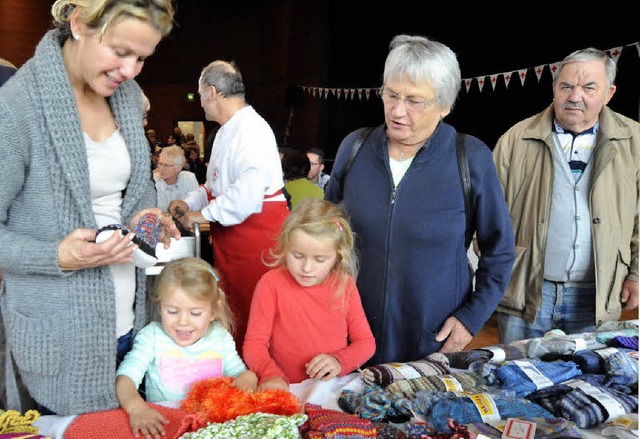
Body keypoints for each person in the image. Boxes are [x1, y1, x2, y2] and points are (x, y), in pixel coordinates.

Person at [0, 0, 179, 415]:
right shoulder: (17, 107)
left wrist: (146, 217)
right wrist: (56, 256)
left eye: (142, 58)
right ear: (79, 22)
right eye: (120, 51)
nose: (131, 70)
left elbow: (131, 197)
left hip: (132, 320)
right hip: (59, 338)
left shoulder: (128, 96)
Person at [325, 34, 515, 366]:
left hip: (432, 339)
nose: (398, 110)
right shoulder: (354, 148)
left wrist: (471, 317)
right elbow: (324, 231)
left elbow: (499, 251)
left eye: (414, 100)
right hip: (350, 335)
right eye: (391, 94)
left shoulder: (469, 158)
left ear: (444, 105)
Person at [493, 47, 639, 343]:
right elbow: (485, 216)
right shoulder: (515, 140)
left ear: (609, 93)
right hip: (527, 292)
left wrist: (636, 274)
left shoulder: (634, 142)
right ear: (554, 88)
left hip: (598, 293)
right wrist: (500, 272)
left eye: (588, 87)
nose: (575, 96)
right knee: (515, 376)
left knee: (588, 381)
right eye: (566, 86)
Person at [168, 60, 289, 351]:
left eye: (199, 96)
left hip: (257, 243)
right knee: (234, 312)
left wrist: (200, 215)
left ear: (212, 92)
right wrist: (187, 203)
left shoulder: (252, 130)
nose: (200, 103)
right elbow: (214, 187)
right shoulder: (225, 131)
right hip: (233, 242)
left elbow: (244, 197)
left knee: (254, 316)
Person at [116, 257, 257, 438]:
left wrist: (248, 378)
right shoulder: (152, 337)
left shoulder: (219, 337)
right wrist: (137, 409)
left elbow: (240, 374)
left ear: (214, 311)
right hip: (166, 425)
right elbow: (125, 379)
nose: (183, 322)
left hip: (210, 427)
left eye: (195, 313)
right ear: (159, 307)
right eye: (172, 311)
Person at [243, 198, 375, 391]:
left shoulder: (344, 285)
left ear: (337, 256)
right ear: (286, 247)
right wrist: (270, 374)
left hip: (329, 390)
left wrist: (339, 361)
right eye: (297, 256)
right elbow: (254, 343)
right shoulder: (270, 284)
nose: (306, 268)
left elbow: (365, 342)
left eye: (320, 259)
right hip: (284, 388)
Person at [154, 145, 199, 212]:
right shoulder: (152, 181)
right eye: (160, 164)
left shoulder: (189, 178)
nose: (161, 168)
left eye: (166, 165)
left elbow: (196, 206)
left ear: (178, 168)